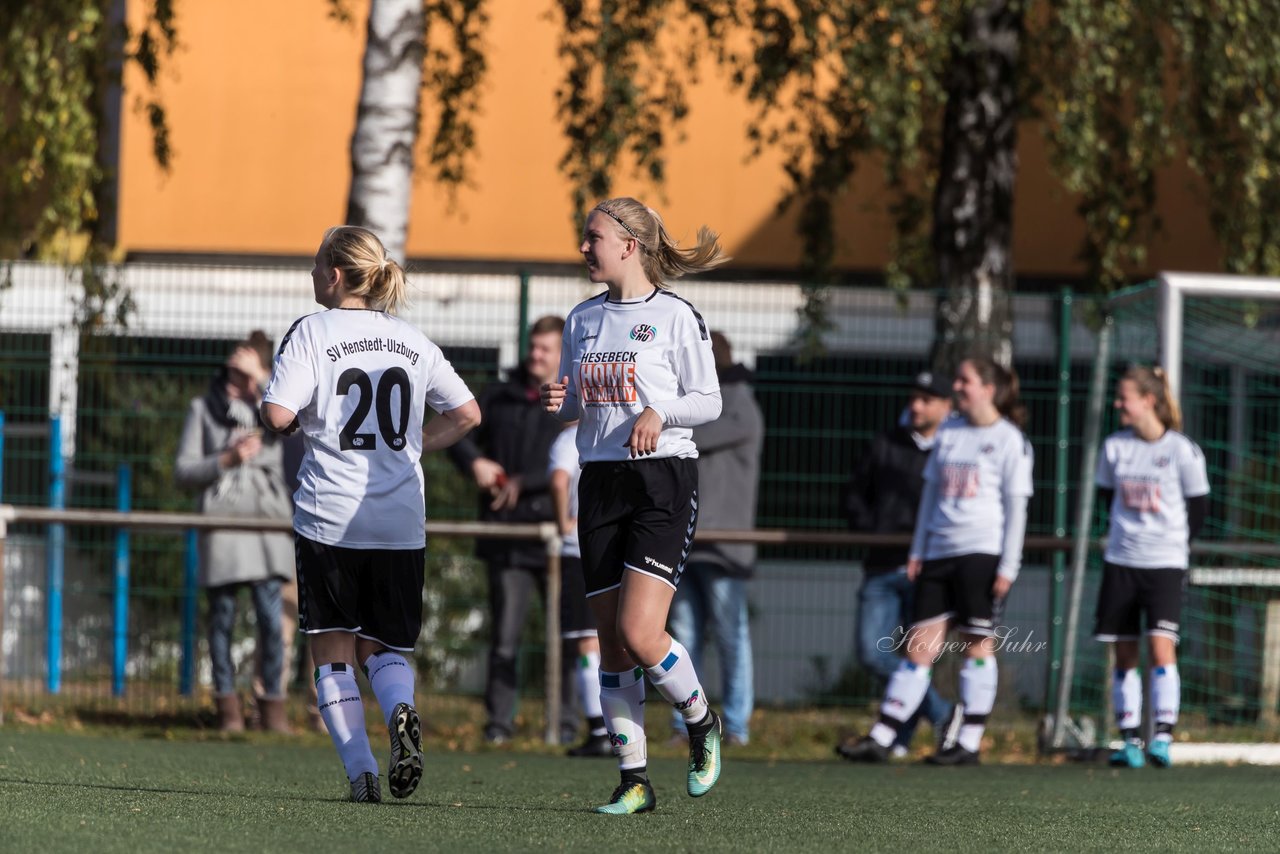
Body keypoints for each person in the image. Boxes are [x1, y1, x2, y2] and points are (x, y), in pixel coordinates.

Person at [260, 225, 480, 803]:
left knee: (331, 652)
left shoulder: (312, 331)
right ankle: (401, 708)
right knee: (384, 647)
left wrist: (277, 407)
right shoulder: (411, 340)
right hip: (401, 519)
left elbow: (280, 415)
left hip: (330, 515)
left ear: (334, 274)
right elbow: (467, 414)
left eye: (315, 265)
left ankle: (361, 773)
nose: (311, 275)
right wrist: (414, 445)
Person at [541, 196, 728, 815]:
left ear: (629, 245)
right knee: (611, 643)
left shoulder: (676, 316)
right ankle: (635, 780)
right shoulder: (581, 319)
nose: (583, 247)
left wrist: (660, 410)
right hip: (600, 482)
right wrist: (561, 398)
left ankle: (701, 720)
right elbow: (578, 406)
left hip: (661, 481)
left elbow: (709, 401)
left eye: (592, 236)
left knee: (638, 632)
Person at [839, 356, 1033, 766]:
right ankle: (883, 736)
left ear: (988, 390)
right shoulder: (951, 433)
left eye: (965, 380)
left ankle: (969, 741)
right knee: (918, 648)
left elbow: (1016, 509)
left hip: (981, 554)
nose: (958, 387)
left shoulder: (1008, 439)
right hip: (938, 555)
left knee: (976, 646)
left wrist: (1008, 566)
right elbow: (931, 497)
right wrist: (918, 551)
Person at [447, 315, 579, 745]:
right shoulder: (500, 396)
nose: (536, 355)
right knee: (505, 636)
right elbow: (459, 431)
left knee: (569, 639)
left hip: (559, 538)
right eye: (533, 347)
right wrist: (475, 463)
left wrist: (530, 481)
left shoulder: (575, 399)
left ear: (562, 353)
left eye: (546, 349)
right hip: (507, 536)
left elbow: (583, 454)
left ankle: (566, 724)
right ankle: (498, 724)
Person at [175, 331, 295, 734]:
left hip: (266, 528)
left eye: (244, 374)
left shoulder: (273, 413)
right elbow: (184, 471)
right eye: (232, 372)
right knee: (222, 620)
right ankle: (228, 711)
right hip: (223, 527)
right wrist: (227, 458)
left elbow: (290, 444)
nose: (235, 382)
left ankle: (272, 711)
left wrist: (261, 384)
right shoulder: (203, 409)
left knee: (270, 620)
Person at [836, 371, 957, 761]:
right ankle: (944, 714)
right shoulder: (885, 443)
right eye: (914, 398)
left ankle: (895, 740)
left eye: (927, 399)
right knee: (873, 653)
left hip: (930, 570)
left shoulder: (956, 449)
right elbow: (855, 494)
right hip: (883, 565)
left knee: (916, 659)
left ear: (946, 407)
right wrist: (874, 530)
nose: (917, 406)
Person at [1093, 365, 1209, 769]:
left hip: (1164, 564)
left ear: (1149, 401)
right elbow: (1106, 498)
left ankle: (1161, 737)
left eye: (1124, 396)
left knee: (1161, 649)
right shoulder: (1114, 447)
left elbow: (1198, 508)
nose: (1117, 403)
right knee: (1124, 653)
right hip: (1122, 561)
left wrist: (1172, 545)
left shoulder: (1181, 449)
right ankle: (1128, 741)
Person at [666, 330, 763, 748]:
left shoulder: (737, 404)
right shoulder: (699, 402)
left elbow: (694, 435)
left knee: (730, 636)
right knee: (683, 637)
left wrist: (661, 416)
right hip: (687, 539)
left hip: (725, 544)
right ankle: (686, 725)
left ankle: (737, 727)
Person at [549, 421, 612, 757]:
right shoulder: (611, 430)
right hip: (613, 544)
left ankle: (601, 729)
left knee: (587, 642)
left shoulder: (569, 438)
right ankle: (618, 728)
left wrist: (563, 523)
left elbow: (559, 480)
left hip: (579, 546)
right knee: (612, 640)